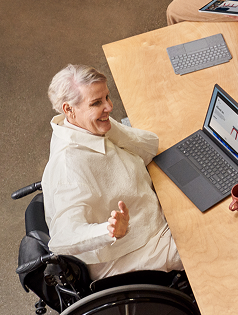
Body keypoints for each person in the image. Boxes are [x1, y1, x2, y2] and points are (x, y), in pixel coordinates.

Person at [42, 64, 183, 280]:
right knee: (209, 241)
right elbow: (62, 239)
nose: (109, 106)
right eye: (97, 103)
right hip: (131, 250)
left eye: (107, 97)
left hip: (151, 213)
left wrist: (110, 128)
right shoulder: (68, 166)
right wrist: (108, 231)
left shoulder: (85, 125)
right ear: (69, 109)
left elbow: (150, 146)